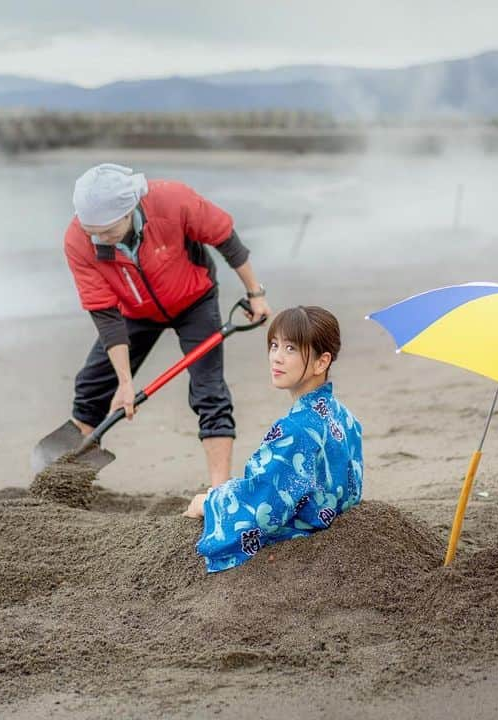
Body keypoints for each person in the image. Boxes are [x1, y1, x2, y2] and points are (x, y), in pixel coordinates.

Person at [64, 163, 271, 488]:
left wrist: (255, 293)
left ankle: (219, 488)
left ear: (129, 208)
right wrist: (125, 382)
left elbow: (225, 239)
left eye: (106, 230)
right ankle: (70, 474)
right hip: (133, 310)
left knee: (209, 392)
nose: (98, 238)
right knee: (91, 386)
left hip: (194, 300)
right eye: (91, 230)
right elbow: (104, 313)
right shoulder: (79, 241)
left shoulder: (172, 200)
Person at [183, 306, 364, 573]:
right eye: (274, 345)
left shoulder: (296, 430)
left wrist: (208, 504)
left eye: (291, 348)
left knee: (205, 505)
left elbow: (262, 507)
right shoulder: (344, 414)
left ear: (321, 362)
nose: (276, 358)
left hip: (304, 535)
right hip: (333, 518)